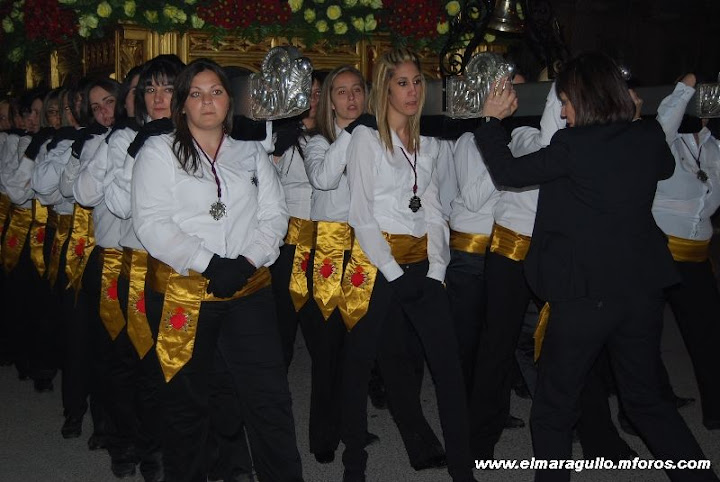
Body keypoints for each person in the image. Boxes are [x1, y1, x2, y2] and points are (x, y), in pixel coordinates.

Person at [475, 51, 718, 482]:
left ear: (586, 99)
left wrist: (491, 122)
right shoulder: (645, 137)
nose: (563, 112)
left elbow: (509, 172)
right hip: (642, 294)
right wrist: (637, 119)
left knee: (553, 410)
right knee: (646, 402)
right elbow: (662, 164)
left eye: (566, 101)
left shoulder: (573, 146)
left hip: (585, 297)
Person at [131, 58, 303, 482]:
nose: (207, 101)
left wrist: (246, 262)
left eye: (216, 92)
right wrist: (209, 263)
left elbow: (274, 215)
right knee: (186, 406)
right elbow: (151, 223)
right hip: (185, 293)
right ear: (182, 104)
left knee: (269, 400)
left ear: (230, 101)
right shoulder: (159, 151)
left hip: (247, 289)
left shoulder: (249, 152)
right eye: (196, 93)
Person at [341, 48, 473, 482]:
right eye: (402, 83)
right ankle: (354, 468)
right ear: (385, 88)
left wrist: (436, 270)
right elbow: (361, 216)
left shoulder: (428, 142)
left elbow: (434, 209)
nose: (413, 91)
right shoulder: (365, 138)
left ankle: (463, 470)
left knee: (448, 369)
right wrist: (395, 275)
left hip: (422, 265)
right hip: (377, 266)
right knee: (359, 366)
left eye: (417, 82)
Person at [653, 72, 720, 431]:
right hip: (658, 252)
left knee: (708, 334)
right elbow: (663, 126)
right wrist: (685, 88)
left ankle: (716, 410)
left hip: (697, 257)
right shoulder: (664, 142)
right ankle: (651, 404)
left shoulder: (714, 147)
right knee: (644, 335)